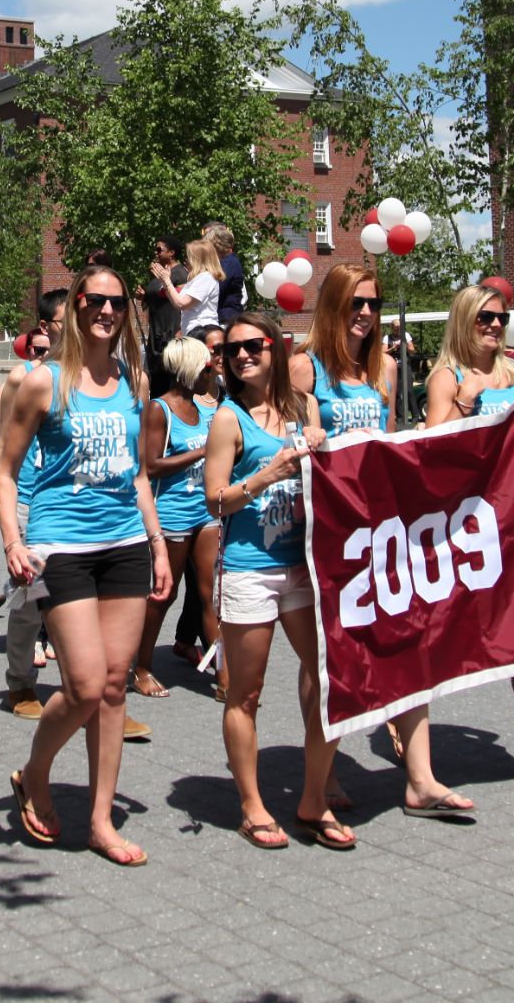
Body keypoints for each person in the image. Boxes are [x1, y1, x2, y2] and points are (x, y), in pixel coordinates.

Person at [0, 266, 173, 867]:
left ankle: (100, 820)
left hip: (123, 541)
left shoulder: (133, 380)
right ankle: (35, 771)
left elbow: (140, 475)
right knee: (83, 684)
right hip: (62, 546)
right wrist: (12, 541)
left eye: (117, 302)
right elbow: (5, 468)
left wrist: (158, 543)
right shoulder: (44, 382)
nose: (106, 311)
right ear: (76, 306)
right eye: (95, 300)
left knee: (116, 686)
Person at [202, 312, 351, 849]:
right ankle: (252, 805)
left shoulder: (304, 406)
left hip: (305, 565)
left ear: (276, 347)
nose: (243, 355)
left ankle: (314, 795)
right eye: (232, 349)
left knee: (329, 677)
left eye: (254, 345)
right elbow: (214, 500)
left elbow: (334, 477)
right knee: (246, 693)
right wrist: (266, 475)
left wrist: (323, 443)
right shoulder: (228, 419)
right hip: (249, 569)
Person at [419, 283, 514, 792]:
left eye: (501, 320)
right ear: (464, 320)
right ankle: (411, 738)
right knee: (437, 631)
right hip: (463, 528)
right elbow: (429, 455)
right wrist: (465, 400)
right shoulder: (447, 376)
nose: (494, 327)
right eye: (485, 318)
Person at [0, 292, 67, 721]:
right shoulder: (24, 379)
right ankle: (19, 682)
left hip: (78, 509)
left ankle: (95, 692)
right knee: (29, 599)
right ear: (46, 327)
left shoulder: (98, 376)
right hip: (31, 503)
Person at [135, 335, 223, 700]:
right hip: (170, 516)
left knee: (210, 595)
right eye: (206, 366)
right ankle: (140, 666)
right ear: (189, 370)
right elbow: (151, 466)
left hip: (206, 514)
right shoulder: (160, 409)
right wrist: (204, 450)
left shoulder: (205, 410)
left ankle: (226, 674)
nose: (212, 371)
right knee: (162, 595)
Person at [290, 263, 395, 439]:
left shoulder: (386, 366)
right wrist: (345, 443)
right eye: (356, 303)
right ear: (333, 306)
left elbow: (390, 437)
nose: (367, 312)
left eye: (374, 304)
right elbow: (288, 447)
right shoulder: (302, 368)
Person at [141, 237, 186, 396]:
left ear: (172, 252)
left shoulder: (180, 273)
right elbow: (158, 298)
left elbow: (182, 302)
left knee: (167, 383)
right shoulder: (160, 273)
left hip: (170, 334)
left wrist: (179, 330)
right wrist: (144, 296)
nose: (156, 253)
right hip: (156, 335)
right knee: (155, 382)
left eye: (159, 249)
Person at [159, 237, 224, 337]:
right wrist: (165, 282)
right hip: (193, 332)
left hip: (202, 332)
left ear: (198, 259)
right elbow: (177, 302)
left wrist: (167, 281)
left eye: (189, 256)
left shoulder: (205, 278)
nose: (186, 259)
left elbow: (181, 303)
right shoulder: (197, 278)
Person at [205, 221, 245, 326]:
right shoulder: (227, 261)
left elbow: (216, 288)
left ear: (217, 245)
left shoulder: (228, 263)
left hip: (226, 319)